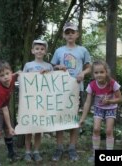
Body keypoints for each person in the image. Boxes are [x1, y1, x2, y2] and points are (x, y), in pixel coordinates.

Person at [50, 22, 91, 161]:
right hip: (60, 89)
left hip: (76, 89)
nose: (70, 35)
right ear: (63, 35)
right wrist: (57, 67)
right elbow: (52, 66)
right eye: (67, 32)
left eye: (72, 32)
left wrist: (83, 73)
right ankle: (59, 147)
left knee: (74, 119)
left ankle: (72, 148)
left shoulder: (83, 50)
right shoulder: (59, 51)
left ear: (77, 34)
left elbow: (89, 67)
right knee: (60, 118)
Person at [79, 60, 122, 162]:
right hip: (98, 108)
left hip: (111, 109)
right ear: (93, 74)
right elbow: (87, 103)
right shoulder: (92, 85)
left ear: (106, 72)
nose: (99, 75)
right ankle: (95, 154)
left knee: (108, 131)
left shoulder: (112, 83)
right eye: (96, 72)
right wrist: (82, 118)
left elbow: (120, 99)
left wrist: (110, 101)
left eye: (101, 72)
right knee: (96, 129)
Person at [22, 39, 53, 163]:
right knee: (29, 128)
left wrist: (48, 74)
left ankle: (36, 151)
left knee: (39, 127)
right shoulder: (28, 65)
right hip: (30, 102)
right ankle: (27, 152)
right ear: (32, 51)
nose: (39, 51)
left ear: (45, 51)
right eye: (37, 49)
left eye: (42, 49)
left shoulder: (49, 66)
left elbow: (53, 83)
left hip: (43, 102)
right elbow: (24, 81)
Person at [0, 61, 20, 166]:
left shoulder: (11, 78)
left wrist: (21, 73)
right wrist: (10, 126)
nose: (6, 77)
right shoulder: (0, 91)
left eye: (7, 73)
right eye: (2, 75)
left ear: (11, 72)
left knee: (7, 130)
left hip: (3, 106)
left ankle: (11, 153)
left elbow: (18, 73)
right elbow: (4, 110)